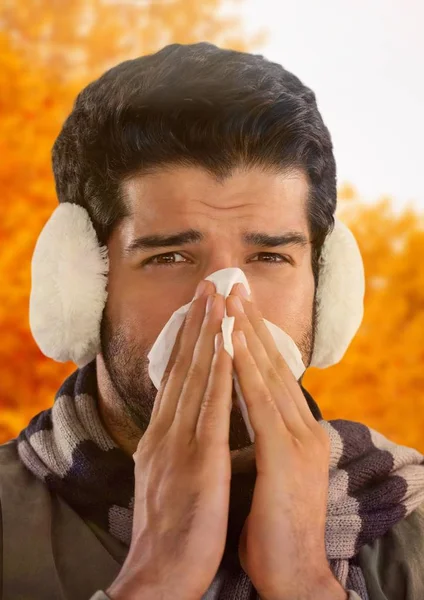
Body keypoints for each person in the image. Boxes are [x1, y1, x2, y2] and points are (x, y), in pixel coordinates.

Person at [1, 42, 424, 600]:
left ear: (327, 287)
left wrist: (303, 582)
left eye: (269, 257)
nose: (226, 306)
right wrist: (155, 581)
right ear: (79, 289)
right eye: (169, 258)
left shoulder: (411, 525)